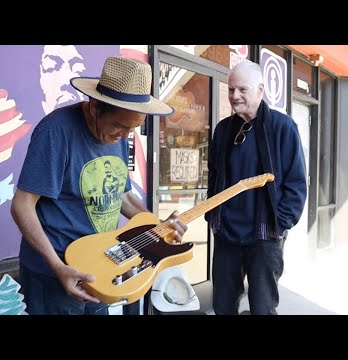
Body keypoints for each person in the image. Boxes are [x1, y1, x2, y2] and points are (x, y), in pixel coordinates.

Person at [10, 56, 188, 315]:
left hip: (101, 266)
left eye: (133, 129)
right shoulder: (56, 131)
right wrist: (57, 266)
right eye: (119, 126)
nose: (125, 137)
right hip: (52, 275)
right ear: (95, 107)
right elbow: (21, 206)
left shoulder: (118, 133)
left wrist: (159, 228)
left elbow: (123, 197)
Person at [206, 61, 307, 315]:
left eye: (242, 89)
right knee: (222, 306)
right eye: (230, 90)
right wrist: (213, 217)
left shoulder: (283, 127)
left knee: (262, 308)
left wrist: (280, 223)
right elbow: (215, 176)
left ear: (260, 90)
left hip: (264, 238)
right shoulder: (223, 129)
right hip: (227, 235)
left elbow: (296, 184)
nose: (234, 96)